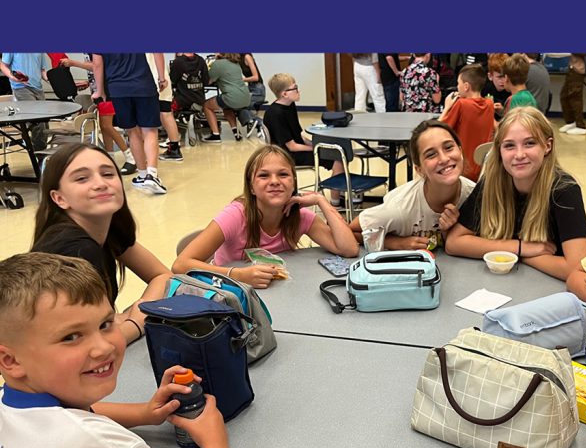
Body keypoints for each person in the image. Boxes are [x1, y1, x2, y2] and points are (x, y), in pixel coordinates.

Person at [0, 252, 240, 448]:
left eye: (105, 324)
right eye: (71, 337)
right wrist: (214, 439)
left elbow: (61, 417)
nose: (103, 348)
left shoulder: (9, 399)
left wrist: (144, 413)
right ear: (10, 360)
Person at [27, 143, 173, 346]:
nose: (100, 184)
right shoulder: (75, 250)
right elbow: (87, 346)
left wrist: (141, 308)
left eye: (107, 174)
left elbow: (163, 276)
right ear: (59, 198)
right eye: (82, 178)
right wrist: (136, 322)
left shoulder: (106, 226)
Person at [445, 107, 586, 283]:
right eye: (509, 145)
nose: (519, 154)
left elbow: (577, 269)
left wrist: (522, 255)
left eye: (530, 143)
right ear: (499, 150)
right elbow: (454, 242)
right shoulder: (491, 184)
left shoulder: (563, 190)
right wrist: (520, 247)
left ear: (547, 146)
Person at [175, 145, 362, 285]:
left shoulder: (300, 217)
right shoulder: (235, 216)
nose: (274, 181)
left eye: (283, 174)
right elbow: (180, 265)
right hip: (233, 292)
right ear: (251, 186)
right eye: (264, 176)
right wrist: (238, 274)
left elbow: (349, 249)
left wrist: (321, 201)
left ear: (293, 182)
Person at [355, 120, 475, 253]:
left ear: (460, 151)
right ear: (419, 169)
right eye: (431, 154)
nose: (444, 159)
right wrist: (396, 242)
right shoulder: (400, 208)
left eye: (448, 147)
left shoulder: (476, 197)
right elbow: (352, 230)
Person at [92, 54, 168, 197]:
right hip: (143, 85)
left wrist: (100, 91)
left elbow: (97, 63)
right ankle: (151, 175)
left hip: (118, 89)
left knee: (132, 131)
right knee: (149, 130)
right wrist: (161, 77)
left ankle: (142, 174)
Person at [259, 71, 339, 178]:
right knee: (338, 158)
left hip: (295, 150)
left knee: (337, 152)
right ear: (285, 94)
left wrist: (313, 143)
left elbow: (298, 136)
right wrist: (316, 147)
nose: (298, 90)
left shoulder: (290, 105)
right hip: (288, 155)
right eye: (295, 88)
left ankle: (341, 190)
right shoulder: (276, 114)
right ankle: (337, 194)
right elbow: (292, 147)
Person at [443, 65, 501, 183]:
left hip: (464, 169)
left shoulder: (461, 104)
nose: (457, 86)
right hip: (484, 168)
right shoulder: (489, 104)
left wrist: (446, 107)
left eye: (458, 83)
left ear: (466, 86)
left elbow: (439, 129)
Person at [208, 53, 257, 141]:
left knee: (206, 106)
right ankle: (236, 133)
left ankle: (215, 135)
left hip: (232, 97)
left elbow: (209, 80)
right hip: (245, 96)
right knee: (227, 108)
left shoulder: (217, 64)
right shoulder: (236, 63)